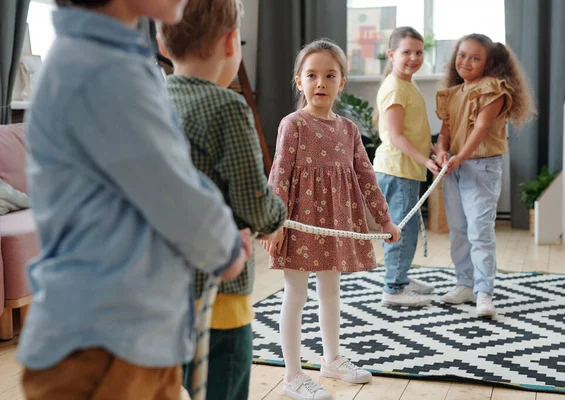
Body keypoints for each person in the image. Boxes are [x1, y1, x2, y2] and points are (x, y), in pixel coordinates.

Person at [17, 1, 252, 399]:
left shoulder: (109, 59)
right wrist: (225, 247)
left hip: (130, 337)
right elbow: (171, 189)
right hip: (105, 346)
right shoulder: (102, 68)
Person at [157, 0, 287, 398]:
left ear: (163, 43)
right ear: (232, 42)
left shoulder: (151, 100)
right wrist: (276, 217)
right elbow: (253, 203)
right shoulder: (227, 107)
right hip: (215, 294)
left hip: (156, 287)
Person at [262, 38, 401, 400]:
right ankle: (293, 376)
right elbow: (279, 174)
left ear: (342, 83)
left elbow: (366, 176)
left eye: (329, 75)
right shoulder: (293, 124)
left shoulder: (348, 130)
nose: (320, 83)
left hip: (335, 221)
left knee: (330, 291)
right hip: (296, 222)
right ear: (299, 82)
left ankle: (331, 359)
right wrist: (272, 222)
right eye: (312, 75)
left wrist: (384, 220)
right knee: (296, 293)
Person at [435, 33, 535, 317]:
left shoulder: (494, 89)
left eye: (474, 57)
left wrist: (458, 158)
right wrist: (442, 153)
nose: (465, 62)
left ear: (488, 63)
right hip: (454, 168)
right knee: (458, 230)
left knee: (480, 231)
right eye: (461, 55)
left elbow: (480, 130)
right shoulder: (453, 94)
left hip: (481, 167)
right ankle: (464, 283)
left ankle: (484, 292)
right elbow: (444, 133)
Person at [373, 26, 441, 307]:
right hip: (397, 169)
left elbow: (413, 130)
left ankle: (399, 278)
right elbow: (397, 136)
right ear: (391, 55)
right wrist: (426, 160)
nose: (413, 57)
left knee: (406, 227)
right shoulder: (395, 88)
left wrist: (431, 149)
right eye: (406, 52)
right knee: (400, 229)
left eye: (418, 52)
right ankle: (393, 288)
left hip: (406, 169)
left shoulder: (407, 84)